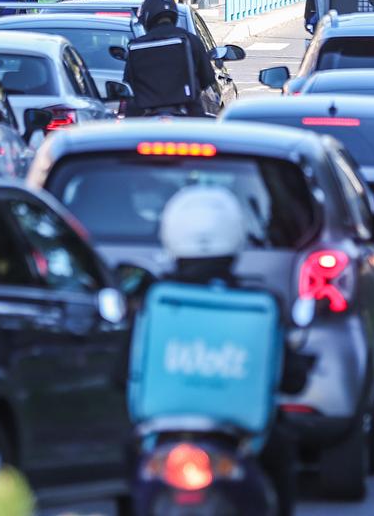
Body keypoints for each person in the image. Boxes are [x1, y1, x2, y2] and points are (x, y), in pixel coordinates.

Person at [136, 186, 303, 515]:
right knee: (281, 452)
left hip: (163, 439)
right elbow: (291, 378)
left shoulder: (156, 301)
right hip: (239, 440)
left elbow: (123, 374)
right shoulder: (260, 305)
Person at [119, 0, 216, 117]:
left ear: (147, 17)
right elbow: (207, 78)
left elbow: (128, 83)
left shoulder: (136, 46)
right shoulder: (191, 40)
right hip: (188, 112)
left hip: (144, 116)